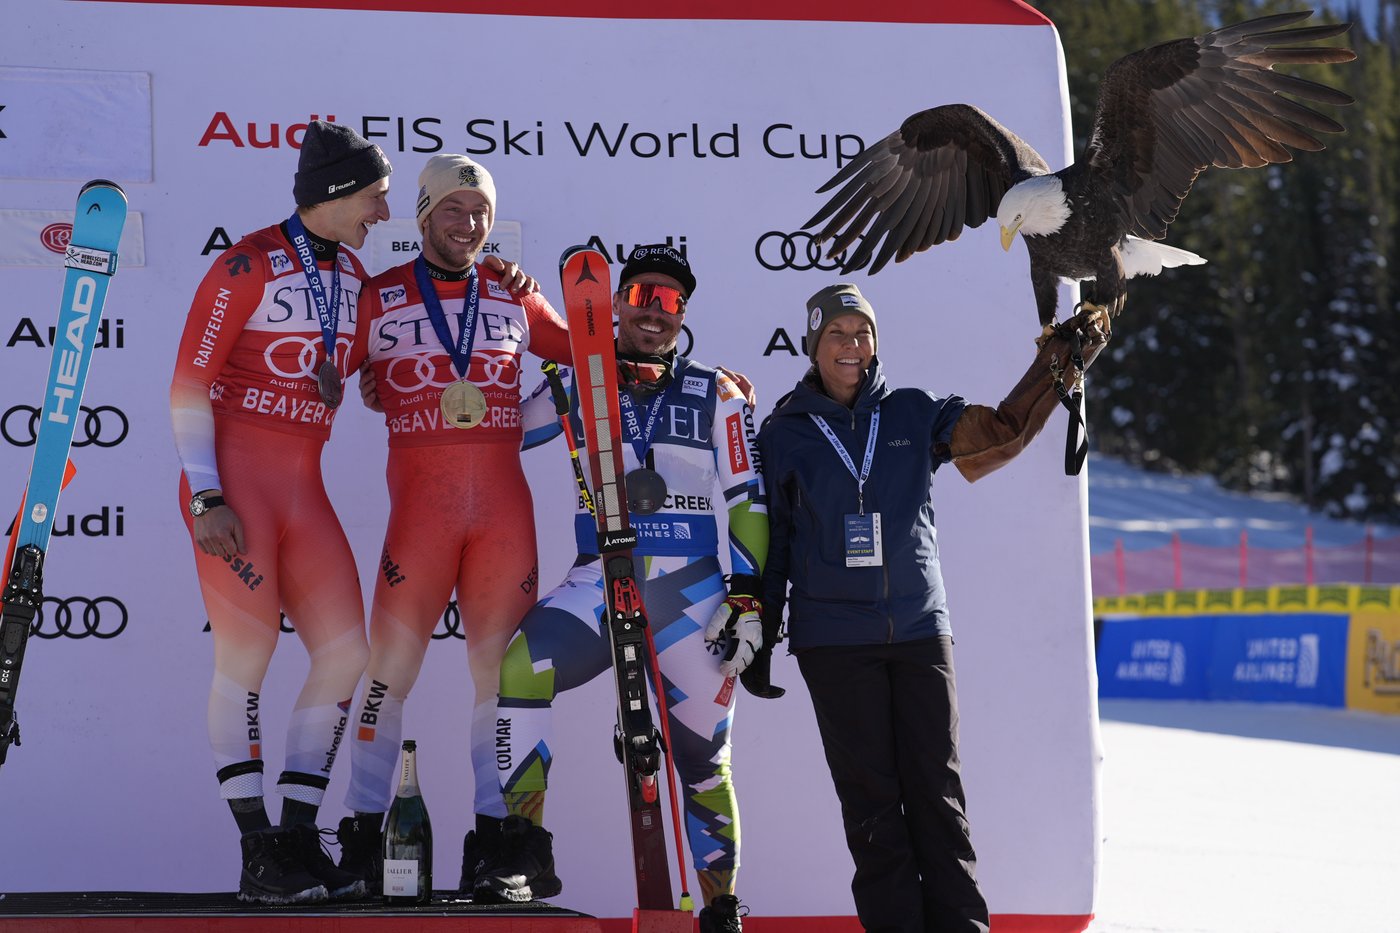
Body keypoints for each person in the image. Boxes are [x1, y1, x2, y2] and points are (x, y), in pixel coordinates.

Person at [755, 284, 1110, 933]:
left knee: (938, 798)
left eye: (862, 332)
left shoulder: (915, 413)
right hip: (834, 641)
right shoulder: (785, 432)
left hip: (919, 630)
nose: (852, 346)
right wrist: (762, 629)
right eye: (837, 333)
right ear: (813, 344)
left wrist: (1058, 362)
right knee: (872, 807)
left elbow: (997, 434)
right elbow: (774, 538)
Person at [477, 246, 767, 933]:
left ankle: (721, 906)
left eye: (669, 302)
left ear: (684, 313)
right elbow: (498, 434)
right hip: (600, 580)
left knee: (703, 756)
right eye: (640, 295)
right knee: (521, 666)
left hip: (690, 592)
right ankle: (521, 850)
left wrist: (749, 599)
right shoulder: (578, 380)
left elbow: (748, 499)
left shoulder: (718, 392)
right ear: (616, 301)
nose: (653, 312)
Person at [334, 154, 574, 893]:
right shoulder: (378, 297)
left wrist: (712, 380)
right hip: (422, 519)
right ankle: (361, 847)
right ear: (422, 214)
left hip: (503, 517)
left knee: (504, 684)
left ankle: (501, 848)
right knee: (386, 677)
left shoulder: (511, 293)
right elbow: (312, 372)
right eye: (452, 210)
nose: (468, 225)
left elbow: (593, 359)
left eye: (480, 213)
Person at [170, 120, 392, 905]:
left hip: (304, 483)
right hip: (235, 484)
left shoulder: (356, 277)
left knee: (344, 653)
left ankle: (299, 832)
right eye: (374, 195)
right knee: (247, 662)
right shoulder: (247, 263)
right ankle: (258, 846)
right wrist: (204, 494)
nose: (384, 211)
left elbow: (365, 363)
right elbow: (187, 386)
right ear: (333, 195)